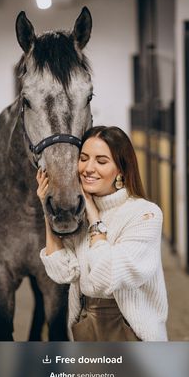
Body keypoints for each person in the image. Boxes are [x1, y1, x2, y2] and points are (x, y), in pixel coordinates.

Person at [37, 126, 168, 341]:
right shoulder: (80, 214)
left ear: (121, 170)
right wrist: (47, 209)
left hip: (131, 328)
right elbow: (63, 272)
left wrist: (95, 219)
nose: (88, 168)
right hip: (86, 322)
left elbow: (107, 276)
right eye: (84, 158)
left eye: (101, 161)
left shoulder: (145, 214)